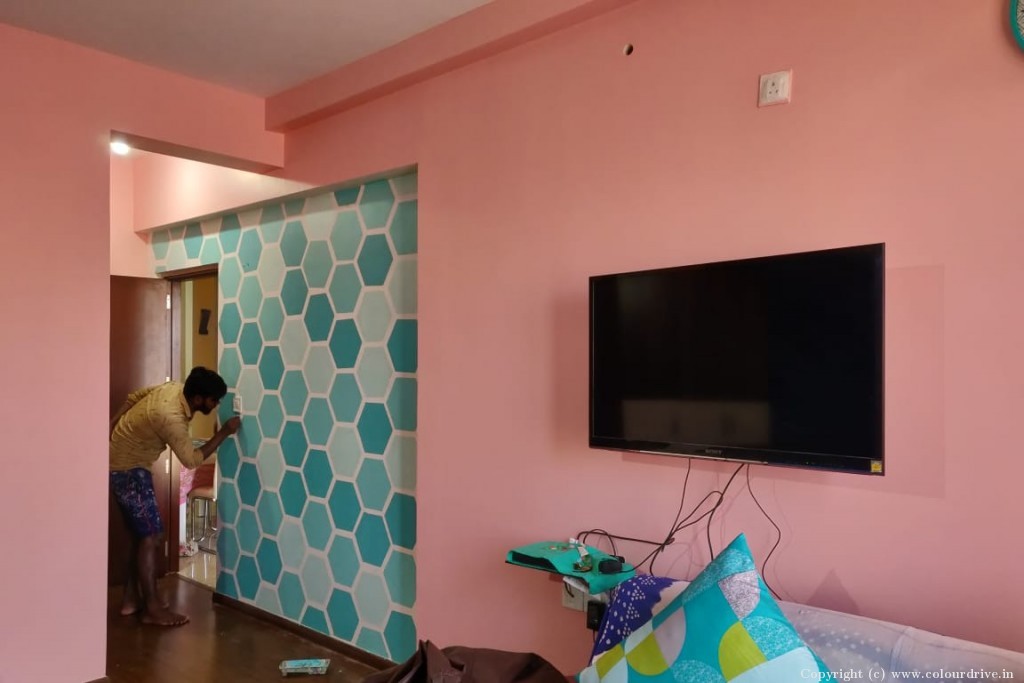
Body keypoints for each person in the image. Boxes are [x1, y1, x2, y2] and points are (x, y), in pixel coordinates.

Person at [109, 366, 241, 626]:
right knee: (151, 536)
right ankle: (152, 609)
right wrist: (223, 432)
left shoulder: (173, 388)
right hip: (127, 471)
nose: (216, 404)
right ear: (198, 398)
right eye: (214, 400)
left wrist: (111, 427)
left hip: (126, 463)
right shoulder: (170, 416)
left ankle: (131, 600)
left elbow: (134, 397)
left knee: (142, 535)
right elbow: (192, 460)